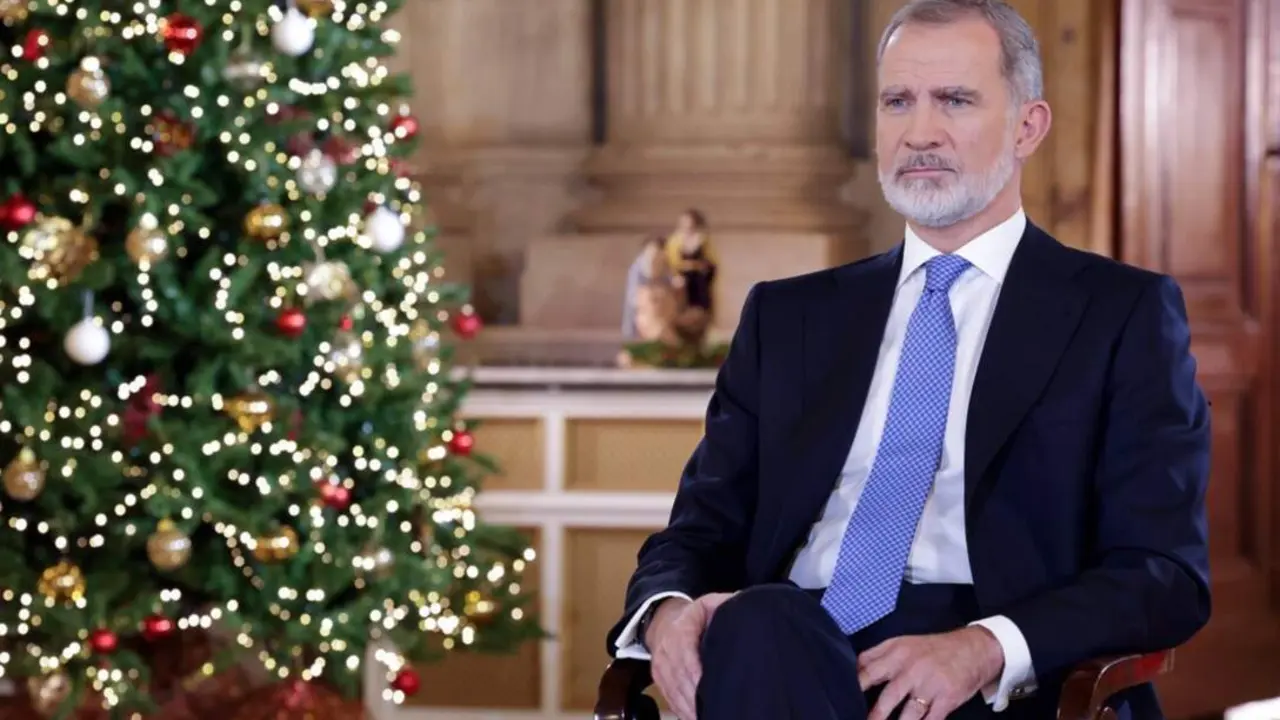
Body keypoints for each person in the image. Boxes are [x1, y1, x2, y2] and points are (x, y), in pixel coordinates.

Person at [604, 2, 1212, 720]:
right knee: (760, 624)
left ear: (1028, 126)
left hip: (998, 677)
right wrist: (667, 613)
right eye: (898, 102)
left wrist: (984, 647)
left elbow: (1163, 573)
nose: (920, 133)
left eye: (954, 100)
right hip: (791, 640)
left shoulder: (1121, 314)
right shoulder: (788, 317)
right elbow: (699, 530)